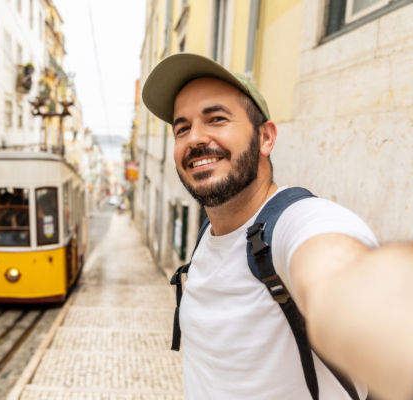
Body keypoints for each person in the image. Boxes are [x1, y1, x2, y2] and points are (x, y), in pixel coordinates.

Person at [141, 53, 413, 400]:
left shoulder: (298, 223)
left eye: (217, 119)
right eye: (182, 128)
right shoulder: (205, 239)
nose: (195, 138)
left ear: (266, 138)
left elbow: (339, 277)